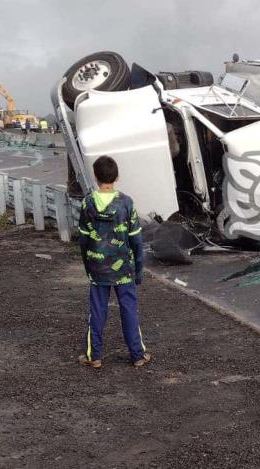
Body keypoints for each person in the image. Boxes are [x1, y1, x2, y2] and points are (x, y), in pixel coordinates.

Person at [77, 155, 150, 369]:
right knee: (129, 309)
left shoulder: (87, 202)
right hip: (123, 268)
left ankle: (94, 355)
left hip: (97, 268)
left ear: (95, 176)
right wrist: (138, 269)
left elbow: (83, 239)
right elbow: (136, 239)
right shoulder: (126, 203)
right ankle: (137, 355)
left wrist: (88, 266)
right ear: (117, 176)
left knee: (97, 310)